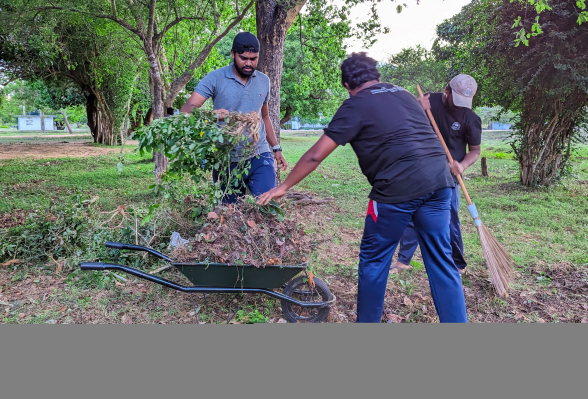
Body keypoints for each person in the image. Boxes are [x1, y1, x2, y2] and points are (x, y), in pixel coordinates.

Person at [257, 53, 467, 323]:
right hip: (440, 183)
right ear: (376, 75)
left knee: (374, 262)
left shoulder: (355, 105)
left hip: (396, 190)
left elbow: (315, 155)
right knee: (442, 261)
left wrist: (284, 186)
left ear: (347, 85)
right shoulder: (403, 94)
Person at [389, 74, 482, 276]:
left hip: (449, 175)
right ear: (447, 91)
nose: (459, 106)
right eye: (456, 100)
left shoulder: (470, 117)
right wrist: (416, 107)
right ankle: (404, 260)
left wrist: (462, 165)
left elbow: (475, 151)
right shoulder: (428, 101)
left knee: (449, 219)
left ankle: (458, 263)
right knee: (412, 214)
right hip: (420, 169)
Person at [180, 32, 288, 203]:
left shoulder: (264, 81)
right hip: (226, 160)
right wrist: (211, 115)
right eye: (243, 58)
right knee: (230, 213)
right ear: (233, 53)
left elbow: (265, 117)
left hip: (259, 155)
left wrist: (276, 148)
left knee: (267, 205)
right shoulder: (215, 78)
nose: (249, 63)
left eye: (253, 58)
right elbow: (186, 110)